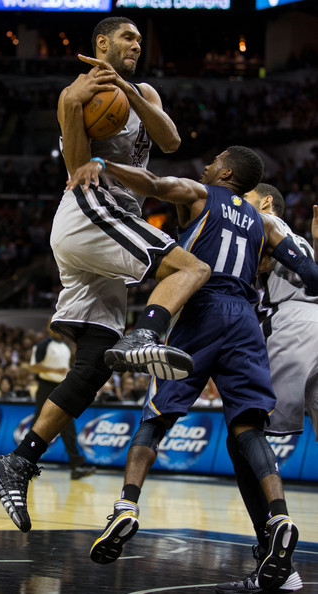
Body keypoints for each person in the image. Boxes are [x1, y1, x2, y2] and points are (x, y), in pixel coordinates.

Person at [0, 16, 210, 534]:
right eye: (127, 37)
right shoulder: (79, 94)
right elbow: (80, 167)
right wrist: (68, 106)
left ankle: (18, 460)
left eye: (139, 38)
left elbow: (170, 141)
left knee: (93, 365)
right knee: (191, 267)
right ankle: (148, 332)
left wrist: (131, 91)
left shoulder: (142, 91)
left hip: (106, 219)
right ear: (101, 44)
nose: (136, 43)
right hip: (92, 210)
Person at [69, 148, 318, 592]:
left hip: (202, 308)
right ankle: (278, 515)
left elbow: (156, 184)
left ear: (225, 173)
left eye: (214, 161)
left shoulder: (204, 193)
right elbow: (312, 276)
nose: (205, 166)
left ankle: (126, 506)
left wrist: (105, 166)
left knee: (157, 416)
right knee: (248, 429)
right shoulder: (264, 224)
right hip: (246, 319)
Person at [214, 183, 318, 594]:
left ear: (267, 202)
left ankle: (274, 553)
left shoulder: (262, 222)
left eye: (246, 200)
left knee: (243, 435)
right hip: (315, 323)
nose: (237, 207)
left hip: (290, 331)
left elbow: (248, 263)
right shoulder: (297, 241)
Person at [29, 329, 96, 480]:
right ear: (48, 327)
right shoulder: (42, 345)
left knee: (67, 425)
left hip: (61, 387)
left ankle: (76, 465)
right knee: (38, 426)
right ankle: (26, 462)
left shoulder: (65, 347)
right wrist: (54, 370)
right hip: (46, 387)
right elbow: (34, 367)